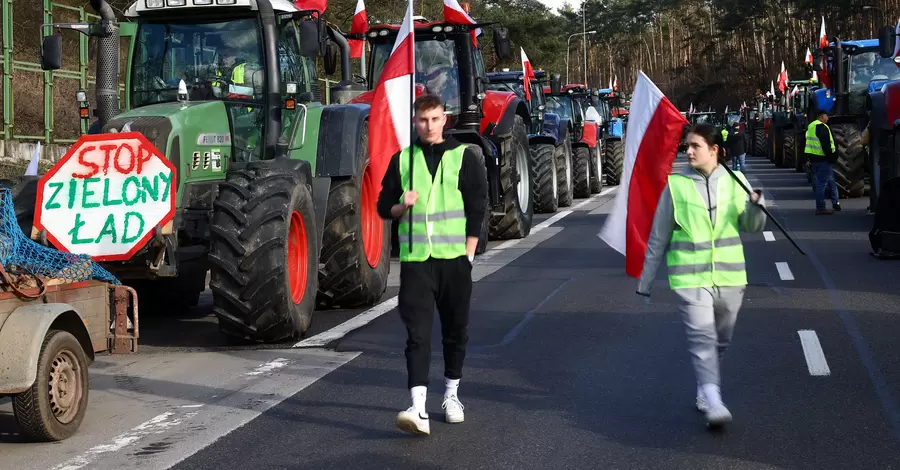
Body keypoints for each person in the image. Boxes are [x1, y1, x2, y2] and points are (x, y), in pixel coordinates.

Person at [636, 123, 767, 429]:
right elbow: (658, 236)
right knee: (702, 336)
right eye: (687, 146)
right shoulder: (676, 186)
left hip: (730, 276)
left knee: (721, 339)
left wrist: (756, 206)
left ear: (714, 150)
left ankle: (703, 388)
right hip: (689, 277)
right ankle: (714, 399)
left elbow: (751, 227)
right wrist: (645, 282)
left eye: (695, 146)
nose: (689, 151)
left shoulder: (737, 181)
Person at [376, 94, 488, 436]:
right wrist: (401, 206)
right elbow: (383, 207)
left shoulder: (463, 156)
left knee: (455, 332)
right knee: (417, 335)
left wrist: (469, 254)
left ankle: (452, 396)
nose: (429, 126)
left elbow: (477, 206)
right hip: (416, 263)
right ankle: (417, 406)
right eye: (423, 120)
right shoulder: (403, 159)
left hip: (455, 261)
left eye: (435, 119)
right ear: (416, 122)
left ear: (445, 119)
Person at [804, 110, 841, 214]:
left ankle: (835, 202)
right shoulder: (822, 127)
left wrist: (807, 159)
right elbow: (826, 145)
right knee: (822, 184)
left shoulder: (811, 126)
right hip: (823, 159)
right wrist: (832, 158)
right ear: (822, 116)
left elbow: (806, 143)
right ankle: (821, 208)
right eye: (826, 116)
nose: (828, 118)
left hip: (814, 159)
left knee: (829, 181)